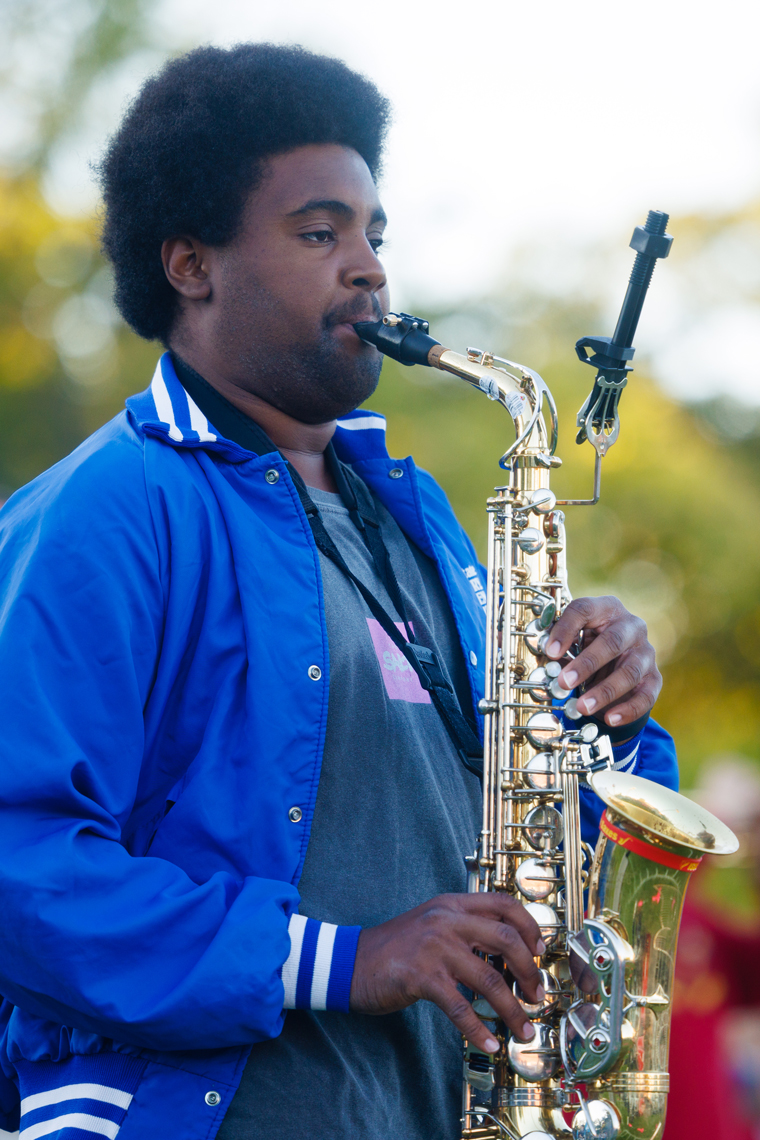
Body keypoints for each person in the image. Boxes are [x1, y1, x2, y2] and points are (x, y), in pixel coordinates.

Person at [0, 44, 677, 1140]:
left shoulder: (422, 530)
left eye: (374, 234)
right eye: (319, 233)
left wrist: (609, 724)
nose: (366, 267)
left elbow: (535, 845)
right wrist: (348, 959)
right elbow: (18, 867)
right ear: (191, 265)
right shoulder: (107, 507)